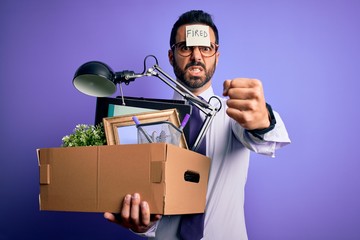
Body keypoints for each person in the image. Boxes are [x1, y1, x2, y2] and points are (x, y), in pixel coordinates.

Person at [104, 10, 291, 239]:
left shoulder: (235, 113)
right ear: (171, 57)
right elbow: (146, 199)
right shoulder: (145, 121)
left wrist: (264, 120)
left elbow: (268, 140)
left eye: (206, 48)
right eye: (186, 47)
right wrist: (144, 224)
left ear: (216, 55)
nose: (196, 56)